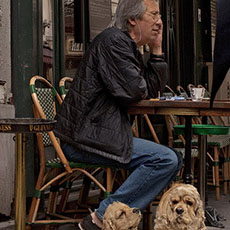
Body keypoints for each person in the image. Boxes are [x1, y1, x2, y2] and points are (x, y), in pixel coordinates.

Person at [54, 0, 183, 229]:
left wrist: (156, 50)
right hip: (84, 138)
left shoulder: (126, 46)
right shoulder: (114, 41)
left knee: (171, 158)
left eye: (159, 16)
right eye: (153, 15)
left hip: (100, 134)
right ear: (133, 19)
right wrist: (142, 81)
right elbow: (135, 90)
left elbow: (149, 90)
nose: (159, 22)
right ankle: (100, 220)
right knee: (164, 159)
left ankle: (112, 219)